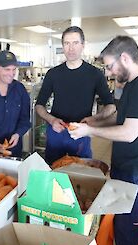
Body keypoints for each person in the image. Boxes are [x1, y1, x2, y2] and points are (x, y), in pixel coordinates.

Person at [68, 35, 138, 245]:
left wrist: (90, 131)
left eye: (110, 66)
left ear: (124, 58)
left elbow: (129, 132)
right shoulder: (133, 84)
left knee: (128, 231)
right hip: (128, 168)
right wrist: (93, 121)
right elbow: (122, 119)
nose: (109, 72)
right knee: (121, 225)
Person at [35, 26, 116, 165]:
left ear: (83, 45)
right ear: (62, 46)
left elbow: (111, 106)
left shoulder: (95, 74)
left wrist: (94, 119)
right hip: (56, 131)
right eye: (67, 43)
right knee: (52, 171)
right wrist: (51, 120)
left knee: (81, 173)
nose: (71, 48)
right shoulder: (53, 74)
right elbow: (39, 106)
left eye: (75, 43)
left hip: (81, 131)